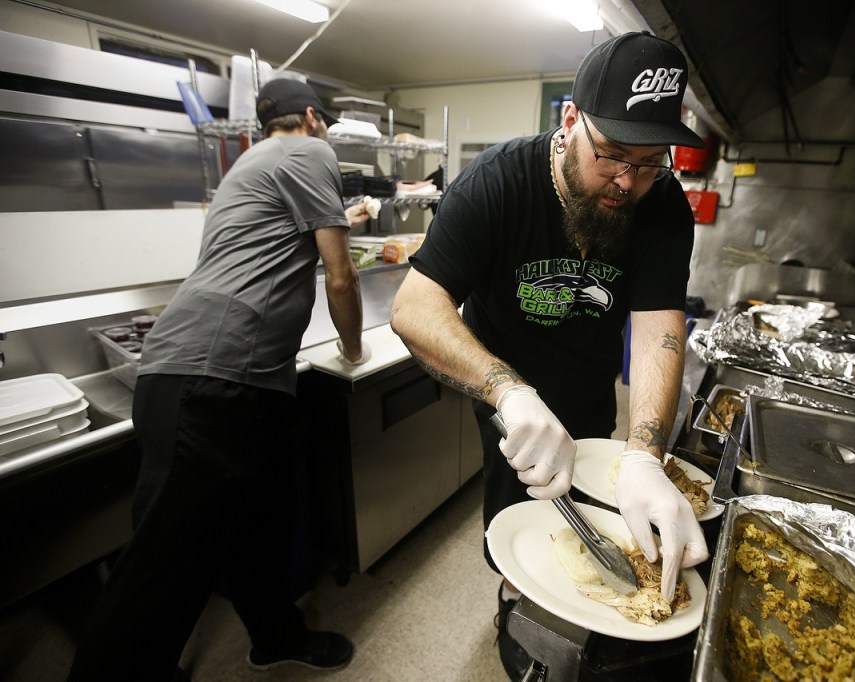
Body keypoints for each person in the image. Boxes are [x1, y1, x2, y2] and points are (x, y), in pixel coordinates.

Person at [389, 31, 711, 679]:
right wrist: (508, 392)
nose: (627, 181)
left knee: (601, 517)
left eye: (651, 161)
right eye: (613, 155)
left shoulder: (663, 205)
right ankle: (516, 610)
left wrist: (646, 455)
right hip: (509, 395)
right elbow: (414, 310)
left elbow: (658, 328)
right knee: (518, 520)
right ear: (570, 121)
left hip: (591, 393)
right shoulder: (496, 183)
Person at [68, 78, 373, 681]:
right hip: (211, 376)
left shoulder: (248, 166)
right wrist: (353, 349)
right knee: (163, 565)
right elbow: (341, 276)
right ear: (313, 118)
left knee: (257, 523)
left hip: (234, 376)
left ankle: (275, 636)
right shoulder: (311, 151)